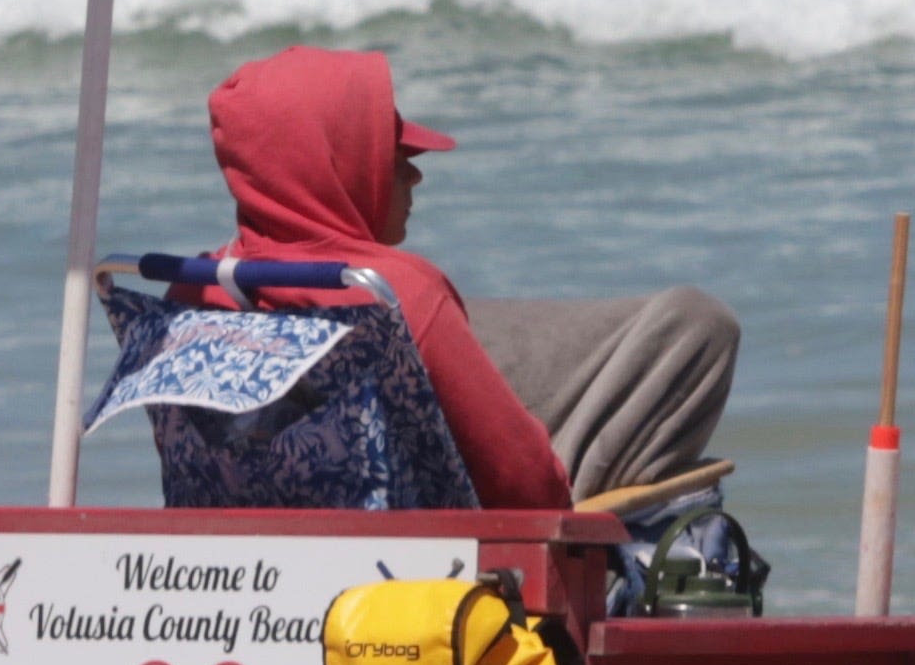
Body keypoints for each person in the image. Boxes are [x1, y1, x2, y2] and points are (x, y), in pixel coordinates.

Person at [207, 43, 740, 501]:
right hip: (427, 564)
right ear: (334, 167)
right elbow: (529, 490)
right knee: (698, 324)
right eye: (388, 155)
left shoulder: (201, 285)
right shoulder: (395, 296)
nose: (415, 174)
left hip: (257, 558)